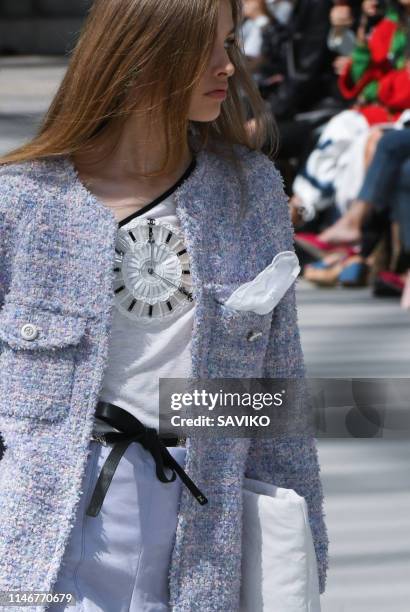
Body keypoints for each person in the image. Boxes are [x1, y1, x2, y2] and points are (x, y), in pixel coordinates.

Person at [0, 0, 328, 610]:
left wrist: (303, 546)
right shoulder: (23, 202)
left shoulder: (248, 189)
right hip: (42, 530)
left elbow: (274, 390)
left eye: (228, 42)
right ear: (142, 50)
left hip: (200, 522)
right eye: (204, 44)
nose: (225, 64)